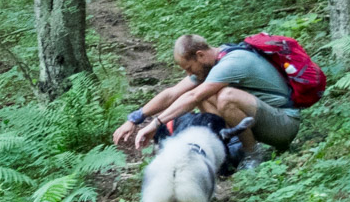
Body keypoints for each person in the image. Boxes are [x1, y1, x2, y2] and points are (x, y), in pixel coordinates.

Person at [112, 34, 301, 162]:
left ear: (200, 55)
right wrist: (135, 118)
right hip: (264, 118)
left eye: (188, 68)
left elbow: (193, 97)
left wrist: (156, 124)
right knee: (204, 95)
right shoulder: (211, 65)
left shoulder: (230, 63)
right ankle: (233, 146)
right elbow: (173, 93)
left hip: (284, 124)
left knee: (225, 97)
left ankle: (252, 156)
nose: (188, 73)